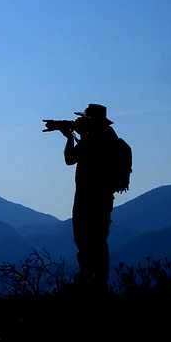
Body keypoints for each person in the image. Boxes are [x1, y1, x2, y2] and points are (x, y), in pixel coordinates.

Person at [61, 103, 118, 293]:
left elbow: (70, 158)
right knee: (98, 240)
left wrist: (70, 137)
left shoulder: (93, 138)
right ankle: (97, 281)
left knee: (85, 238)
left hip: (88, 198)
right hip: (102, 199)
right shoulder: (108, 136)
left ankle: (89, 280)